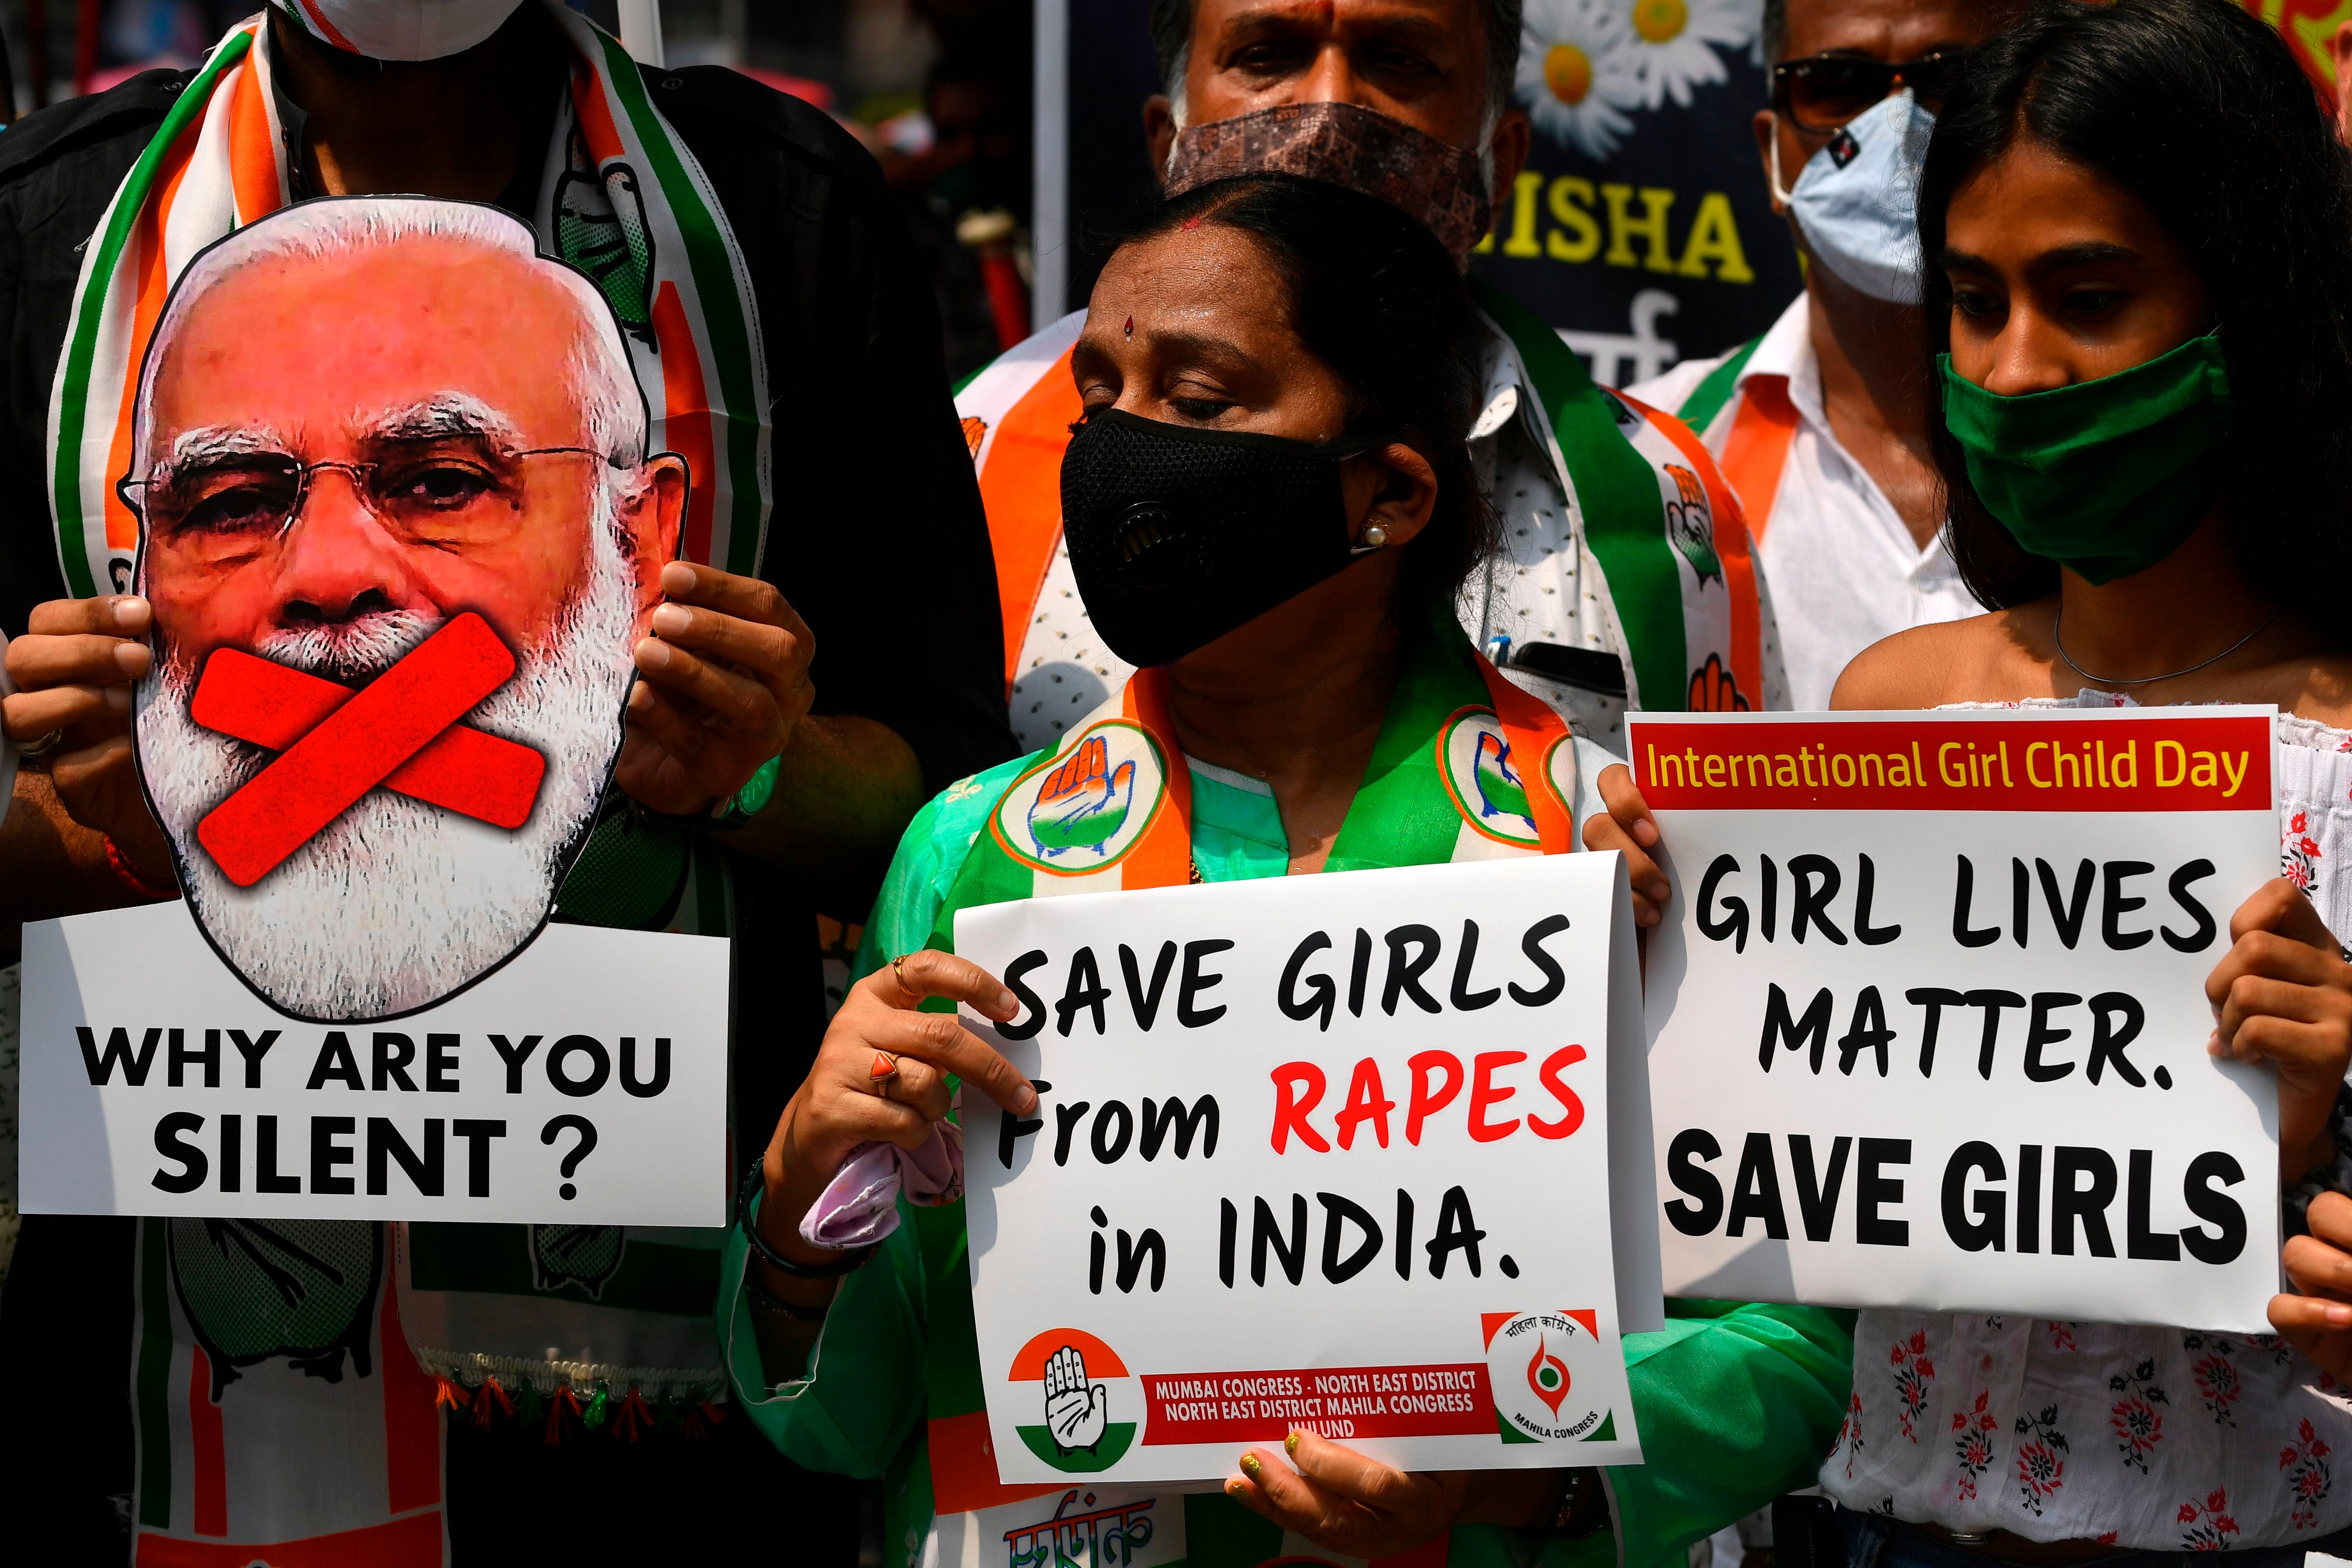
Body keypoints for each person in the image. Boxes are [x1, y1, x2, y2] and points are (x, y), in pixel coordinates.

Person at [0, 0, 1011, 1561]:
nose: (340, 569)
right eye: (239, 497)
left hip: (655, 1426)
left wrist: (754, 772)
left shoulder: (776, 212)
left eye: (441, 481)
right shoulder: (47, 224)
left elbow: (944, 811)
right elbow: (21, 833)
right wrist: (88, 825)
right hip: (165, 1367)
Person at [726, 173, 1852, 1568]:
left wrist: (1496, 1468)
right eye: (1100, 396)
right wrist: (799, 1198)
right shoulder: (976, 858)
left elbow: (1786, 1353)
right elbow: (843, 1423)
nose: (1121, 448)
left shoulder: (1606, 848)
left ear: (1385, 491)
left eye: (1196, 402)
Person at [1594, 1, 2352, 1557]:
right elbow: (1767, 1197)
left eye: (2086, 296)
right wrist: (1645, 954)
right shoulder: (1890, 711)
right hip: (1880, 1530)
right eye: (1971, 301)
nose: (2013, 370)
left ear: (2251, 304)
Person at [965, 0, 1784, 762]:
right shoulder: (974, 458)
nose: (1328, 118)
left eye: (1398, 59)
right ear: (1165, 141)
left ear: (1499, 162)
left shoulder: (1672, 505)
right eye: (1266, 56)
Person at [1627, 0, 2023, 712]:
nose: (1898, 127)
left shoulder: (2121, 453)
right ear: (1772, 150)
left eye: (1953, 80)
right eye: (1837, 84)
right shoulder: (1651, 452)